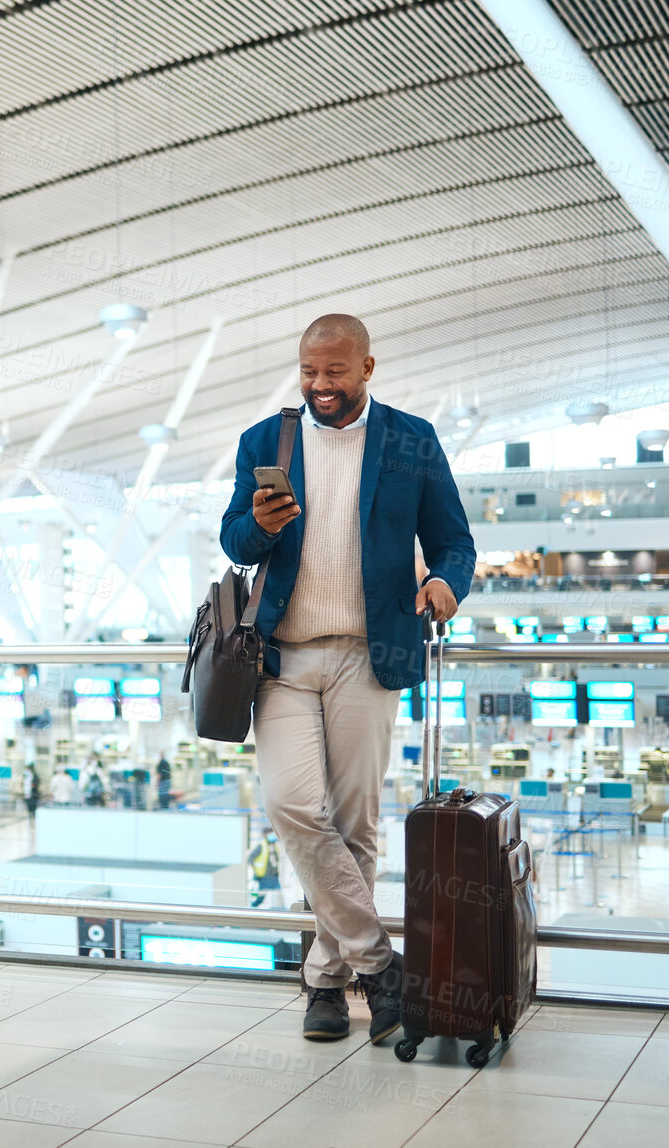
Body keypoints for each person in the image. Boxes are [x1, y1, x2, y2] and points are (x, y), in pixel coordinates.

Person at [221, 313, 475, 1045]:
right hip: (282, 660)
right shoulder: (266, 442)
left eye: (334, 372)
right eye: (309, 370)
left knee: (356, 825)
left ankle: (326, 986)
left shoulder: (410, 440)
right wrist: (260, 524)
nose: (319, 385)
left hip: (370, 654)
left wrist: (448, 584)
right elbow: (235, 540)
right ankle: (381, 968)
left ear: (368, 368)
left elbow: (454, 541)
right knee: (294, 805)